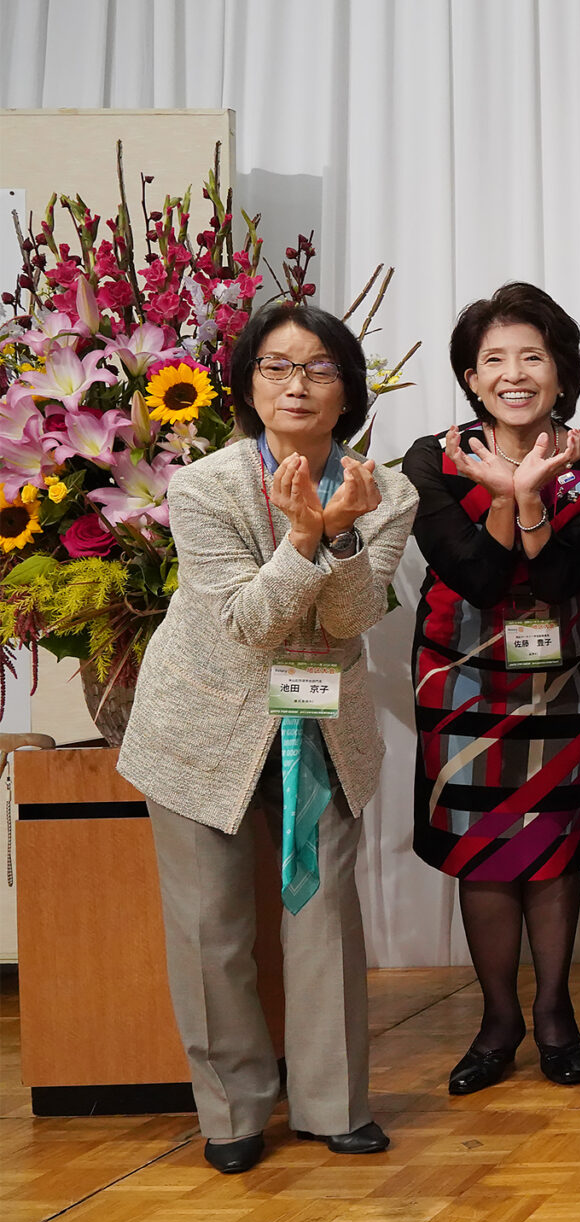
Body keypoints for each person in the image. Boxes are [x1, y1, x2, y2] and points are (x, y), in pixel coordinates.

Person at [119, 300, 419, 1174]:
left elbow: (352, 618)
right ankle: (232, 1113)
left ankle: (335, 1105)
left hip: (322, 720)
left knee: (324, 917)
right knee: (209, 926)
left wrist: (342, 532)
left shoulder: (386, 490)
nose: (297, 383)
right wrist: (304, 537)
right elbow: (250, 623)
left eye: (319, 367)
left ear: (347, 390)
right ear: (247, 386)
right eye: (276, 366)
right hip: (201, 725)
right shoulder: (203, 487)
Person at [403, 283, 580, 1096]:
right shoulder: (431, 460)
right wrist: (507, 494)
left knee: (553, 845)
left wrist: (526, 493)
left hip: (564, 683)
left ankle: (556, 1015)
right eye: (494, 359)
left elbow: (564, 577)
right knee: (483, 851)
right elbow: (478, 575)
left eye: (532, 356)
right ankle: (498, 1020)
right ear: (470, 377)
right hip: (461, 682)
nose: (514, 374)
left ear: (561, 372)